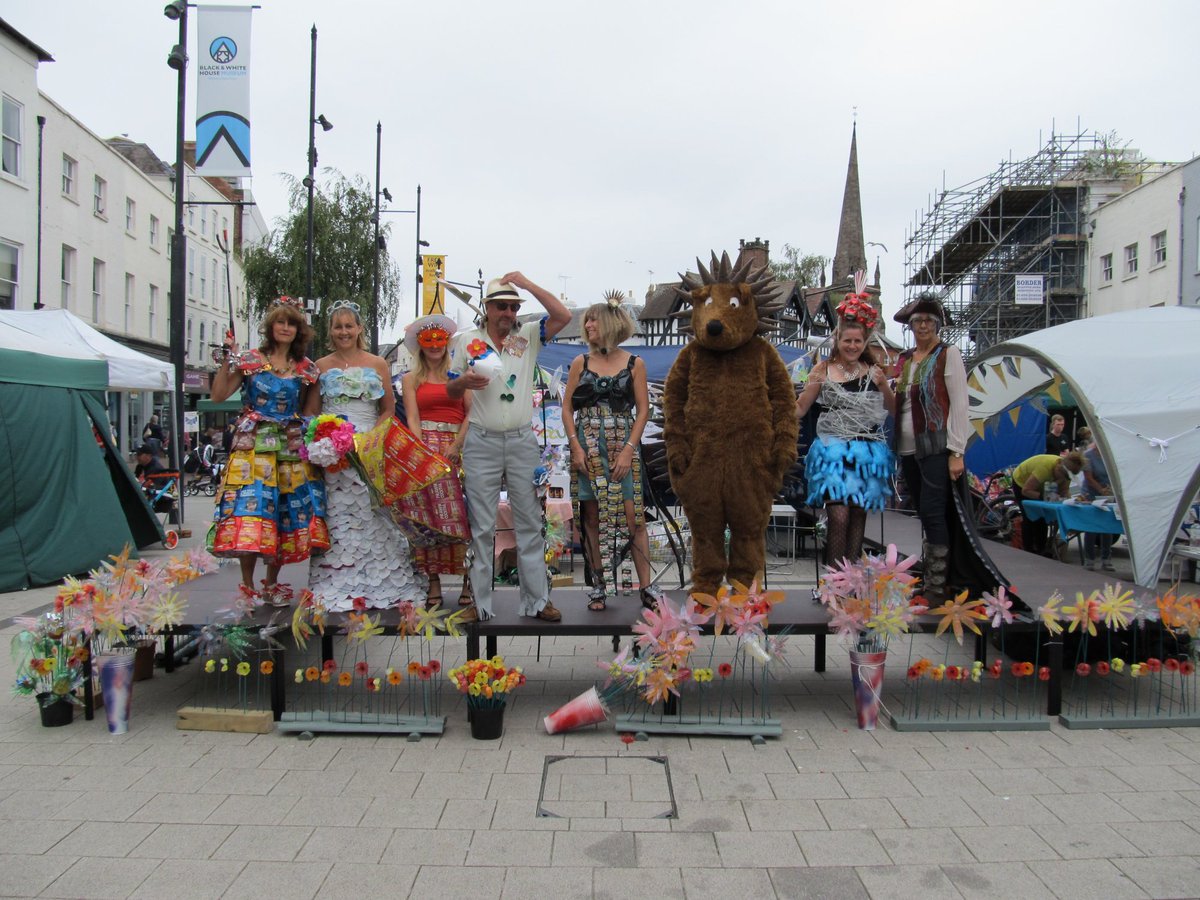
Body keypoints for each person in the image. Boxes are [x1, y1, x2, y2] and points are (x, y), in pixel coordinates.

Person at [446, 272, 573, 623]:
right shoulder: (467, 341)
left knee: (530, 521)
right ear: (487, 308)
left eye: (513, 306)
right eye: (501, 306)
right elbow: (450, 390)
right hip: (481, 440)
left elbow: (563, 316)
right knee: (482, 525)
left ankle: (536, 601)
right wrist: (464, 383)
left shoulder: (527, 335)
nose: (508, 312)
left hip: (521, 439)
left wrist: (528, 284)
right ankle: (479, 603)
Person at [298, 300, 426, 611]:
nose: (344, 332)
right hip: (332, 452)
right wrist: (321, 437)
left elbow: (387, 410)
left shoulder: (377, 364)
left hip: (368, 447)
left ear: (359, 329)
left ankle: (381, 582)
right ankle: (337, 581)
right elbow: (311, 410)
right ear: (331, 331)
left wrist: (369, 441)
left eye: (349, 326)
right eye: (338, 326)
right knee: (338, 514)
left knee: (372, 514)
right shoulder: (321, 365)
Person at [208, 298, 330, 605]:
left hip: (288, 447)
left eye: (291, 323)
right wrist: (227, 359)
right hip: (253, 449)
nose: (285, 328)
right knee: (250, 513)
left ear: (298, 329)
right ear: (271, 327)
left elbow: (311, 413)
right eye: (280, 322)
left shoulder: (307, 370)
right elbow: (219, 395)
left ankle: (271, 584)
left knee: (284, 515)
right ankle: (248, 587)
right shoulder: (249, 360)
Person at [893, 293, 1005, 603]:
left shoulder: (947, 354)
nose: (923, 326)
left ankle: (937, 587)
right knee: (924, 513)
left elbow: (959, 403)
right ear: (912, 326)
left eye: (929, 320)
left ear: (938, 325)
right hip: (907, 447)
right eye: (918, 321)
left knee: (934, 511)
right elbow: (900, 406)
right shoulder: (905, 359)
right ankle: (931, 577)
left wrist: (957, 452)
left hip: (936, 445)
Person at [560, 292, 664, 611]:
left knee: (634, 519)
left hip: (622, 447)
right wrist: (575, 446)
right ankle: (599, 587)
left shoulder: (636, 363)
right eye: (586, 320)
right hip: (588, 448)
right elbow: (566, 409)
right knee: (591, 517)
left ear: (610, 324)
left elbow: (643, 411)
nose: (588, 324)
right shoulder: (581, 362)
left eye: (594, 318)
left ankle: (646, 587)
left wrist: (628, 450)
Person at [795, 295, 895, 567]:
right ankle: (833, 581)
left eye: (857, 341)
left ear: (864, 344)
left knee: (858, 514)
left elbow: (894, 410)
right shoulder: (822, 370)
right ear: (837, 341)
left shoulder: (874, 371)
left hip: (866, 454)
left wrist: (884, 386)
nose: (852, 346)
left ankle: (851, 582)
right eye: (847, 340)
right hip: (834, 453)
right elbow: (801, 407)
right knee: (838, 515)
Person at [399, 313, 474, 610]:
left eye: (440, 339)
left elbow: (472, 413)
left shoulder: (459, 376)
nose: (434, 345)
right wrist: (422, 454)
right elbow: (413, 417)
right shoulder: (409, 379)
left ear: (447, 343)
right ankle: (433, 583)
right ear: (419, 344)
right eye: (428, 339)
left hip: (459, 448)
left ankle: (469, 580)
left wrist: (457, 444)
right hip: (425, 451)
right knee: (426, 518)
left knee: (464, 516)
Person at [1012, 451, 1085, 558]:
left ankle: (1041, 549)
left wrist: (1070, 501)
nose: (1064, 479)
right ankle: (1028, 549)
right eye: (1063, 476)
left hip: (1043, 485)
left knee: (1043, 517)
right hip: (1022, 483)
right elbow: (1026, 491)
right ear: (1058, 468)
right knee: (1030, 517)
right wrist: (1043, 497)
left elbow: (1064, 492)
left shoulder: (1065, 475)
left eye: (1066, 478)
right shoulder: (1044, 468)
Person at [1077, 431, 1115, 571]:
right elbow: (1089, 478)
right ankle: (1089, 560)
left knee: (1107, 526)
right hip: (1091, 493)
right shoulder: (1087, 456)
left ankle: (1107, 559)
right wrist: (1101, 490)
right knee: (1091, 526)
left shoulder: (1110, 456)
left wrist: (1110, 489)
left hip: (1107, 493)